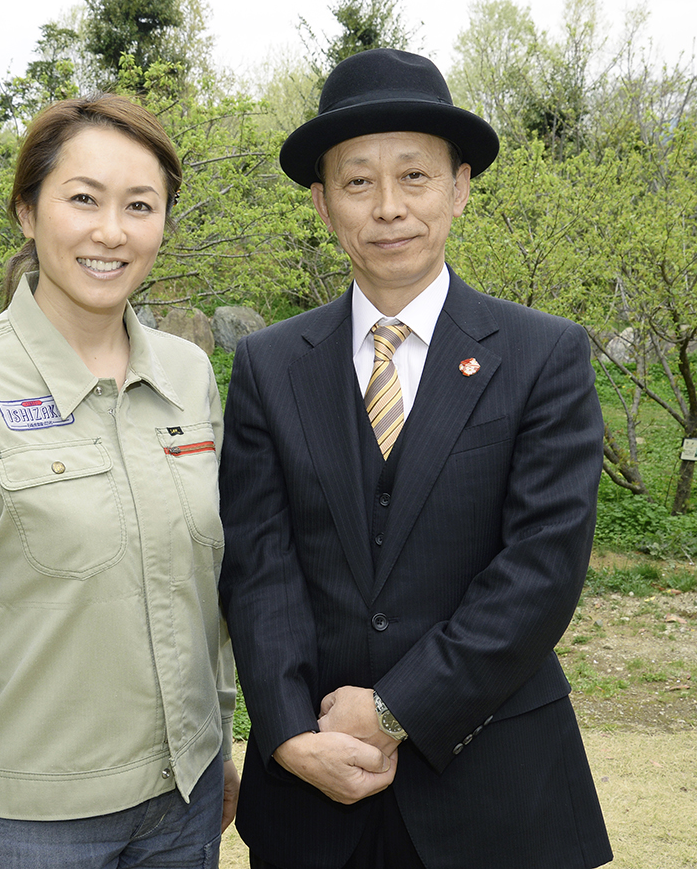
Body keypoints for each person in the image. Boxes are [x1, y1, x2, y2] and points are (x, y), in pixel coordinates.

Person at [217, 48, 612, 869]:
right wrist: (289, 732)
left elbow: (540, 568)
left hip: (496, 786)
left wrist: (394, 708)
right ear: (324, 204)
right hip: (313, 792)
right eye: (358, 182)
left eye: (414, 177)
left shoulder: (544, 355)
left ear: (459, 187)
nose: (388, 207)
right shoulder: (269, 365)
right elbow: (260, 563)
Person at [0, 93, 239, 869]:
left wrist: (218, 735)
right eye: (82, 199)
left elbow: (212, 582)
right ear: (28, 213)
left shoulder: (187, 374)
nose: (111, 231)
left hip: (185, 799)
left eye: (140, 205)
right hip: (30, 823)